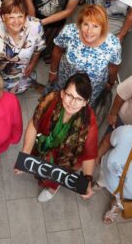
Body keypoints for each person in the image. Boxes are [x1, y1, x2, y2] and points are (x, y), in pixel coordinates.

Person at [15, 73, 98, 202]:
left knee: (56, 176)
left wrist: (87, 178)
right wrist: (25, 154)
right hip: (43, 146)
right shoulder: (51, 100)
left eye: (79, 99)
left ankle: (53, 188)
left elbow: (89, 153)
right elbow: (34, 123)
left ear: (85, 103)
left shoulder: (88, 122)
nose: (72, 103)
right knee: (40, 165)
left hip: (65, 159)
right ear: (62, 94)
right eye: (69, 95)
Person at [49, 5, 122, 106]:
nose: (89, 31)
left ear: (103, 27)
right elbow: (57, 50)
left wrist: (110, 82)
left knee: (83, 109)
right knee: (61, 102)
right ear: (80, 23)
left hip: (92, 87)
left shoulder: (113, 44)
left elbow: (113, 66)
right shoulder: (69, 32)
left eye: (95, 26)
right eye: (86, 24)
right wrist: (53, 71)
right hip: (65, 78)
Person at [0, 0, 45, 94]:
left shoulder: (36, 26)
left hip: (21, 70)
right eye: (11, 17)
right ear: (3, 17)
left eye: (20, 16)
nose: (16, 21)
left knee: (22, 84)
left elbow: (38, 48)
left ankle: (30, 84)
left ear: (25, 16)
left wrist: (32, 64)